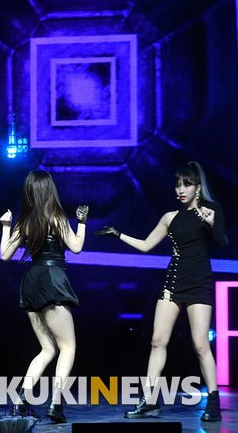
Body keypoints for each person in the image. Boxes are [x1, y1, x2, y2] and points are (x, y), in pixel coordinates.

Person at [94, 161, 225, 422]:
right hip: (173, 281)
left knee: (201, 345)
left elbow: (222, 243)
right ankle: (149, 400)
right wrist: (118, 234)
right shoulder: (170, 218)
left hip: (199, 282)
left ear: (198, 188)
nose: (181, 190)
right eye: (177, 185)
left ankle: (213, 402)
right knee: (157, 340)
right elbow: (146, 245)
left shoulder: (211, 211)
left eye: (187, 184)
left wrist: (212, 224)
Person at [0, 169, 88, 424]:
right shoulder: (56, 217)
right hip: (52, 279)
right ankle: (55, 403)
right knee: (68, 347)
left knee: (47, 348)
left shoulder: (23, 222)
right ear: (50, 191)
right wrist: (82, 222)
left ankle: (20, 401)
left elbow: (5, 255)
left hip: (31, 281)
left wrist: (5, 227)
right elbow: (76, 247)